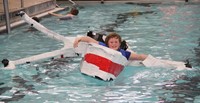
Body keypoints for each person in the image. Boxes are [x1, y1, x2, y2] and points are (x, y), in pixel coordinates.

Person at [73, 32, 147, 60]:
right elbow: (89, 40)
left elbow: (139, 56)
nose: (114, 44)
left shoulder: (123, 53)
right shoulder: (104, 46)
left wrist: (150, 59)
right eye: (111, 42)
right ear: (107, 44)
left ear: (119, 44)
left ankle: (125, 44)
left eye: (116, 42)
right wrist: (78, 40)